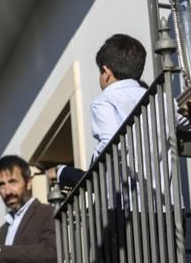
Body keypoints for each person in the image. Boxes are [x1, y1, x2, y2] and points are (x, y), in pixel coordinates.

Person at [47, 34, 147, 189]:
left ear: (106, 72)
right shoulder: (158, 96)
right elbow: (188, 121)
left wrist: (92, 170)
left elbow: (112, 144)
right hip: (168, 203)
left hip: (128, 206)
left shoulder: (104, 100)